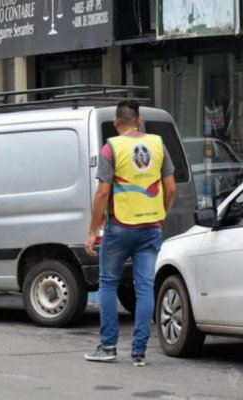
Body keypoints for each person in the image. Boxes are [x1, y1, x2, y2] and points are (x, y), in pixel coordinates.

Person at [84, 99, 177, 367]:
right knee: (145, 287)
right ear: (139, 121)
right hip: (151, 227)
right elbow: (171, 188)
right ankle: (139, 352)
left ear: (116, 123)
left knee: (109, 283)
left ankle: (109, 346)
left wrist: (92, 230)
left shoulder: (111, 148)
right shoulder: (158, 144)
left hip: (120, 227)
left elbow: (102, 192)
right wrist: (161, 214)